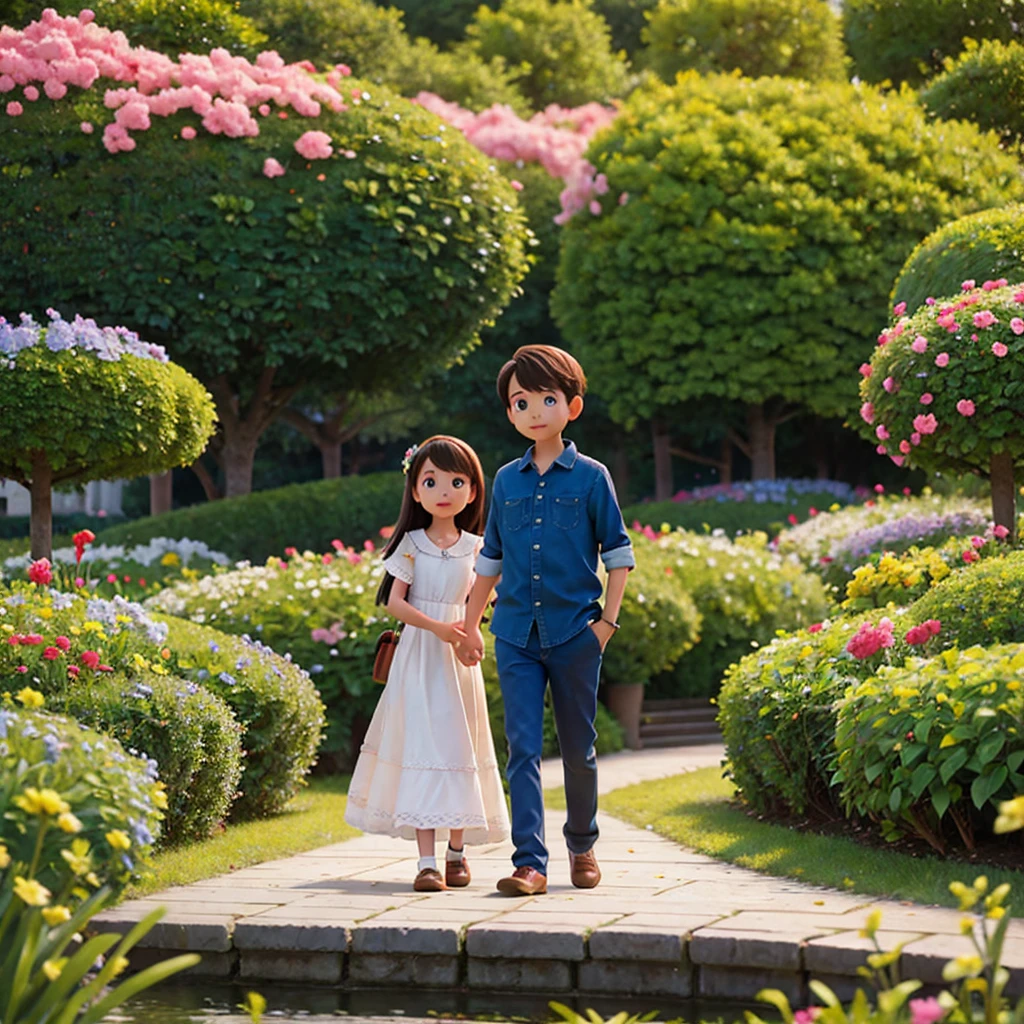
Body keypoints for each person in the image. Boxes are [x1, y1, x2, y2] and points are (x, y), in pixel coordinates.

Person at [461, 345, 634, 896]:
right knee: (523, 751)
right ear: (510, 413)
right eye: (520, 402)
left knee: (579, 750)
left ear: (571, 407)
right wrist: (469, 624)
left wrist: (606, 624)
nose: (534, 411)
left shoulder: (591, 477)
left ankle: (582, 847)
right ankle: (529, 864)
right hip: (514, 634)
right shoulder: (506, 481)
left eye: (546, 399)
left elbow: (619, 553)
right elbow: (489, 559)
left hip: (575, 634)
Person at [345, 435, 510, 892]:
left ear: (473, 490)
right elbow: (394, 603)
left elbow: (489, 595)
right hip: (419, 658)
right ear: (415, 490)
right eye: (431, 480)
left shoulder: (478, 547)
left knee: (461, 745)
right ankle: (425, 861)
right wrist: (437, 628)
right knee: (423, 746)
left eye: (456, 481)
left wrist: (470, 630)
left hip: (459, 660)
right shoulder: (411, 545)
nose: (444, 491)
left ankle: (456, 853)